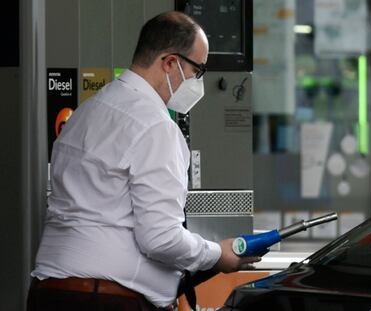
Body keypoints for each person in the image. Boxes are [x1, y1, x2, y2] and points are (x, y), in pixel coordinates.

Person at [27, 11, 261, 311]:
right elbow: (161, 238)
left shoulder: (87, 112)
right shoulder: (155, 126)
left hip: (50, 292)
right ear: (169, 63)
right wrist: (217, 254)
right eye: (196, 71)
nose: (197, 82)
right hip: (108, 299)